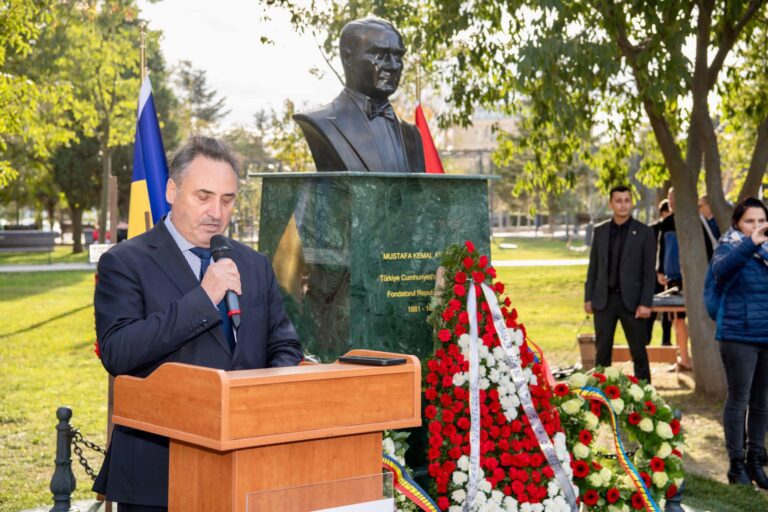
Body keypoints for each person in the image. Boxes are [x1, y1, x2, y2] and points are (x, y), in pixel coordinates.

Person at [92, 136, 303, 510]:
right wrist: (204, 299)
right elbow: (119, 352)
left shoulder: (254, 264)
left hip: (247, 465)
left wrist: (264, 401)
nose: (216, 212)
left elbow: (284, 345)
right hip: (158, 474)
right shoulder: (124, 262)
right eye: (203, 196)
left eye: (227, 199)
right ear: (172, 191)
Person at [294, 17, 425, 173]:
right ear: (347, 57)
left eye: (398, 56)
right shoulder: (320, 122)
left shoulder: (411, 135)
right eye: (379, 55)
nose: (393, 65)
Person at [708, 197, 768, 488]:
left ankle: (756, 463)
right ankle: (736, 466)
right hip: (738, 336)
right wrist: (750, 244)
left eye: (761, 221)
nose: (757, 226)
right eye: (749, 221)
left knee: (762, 402)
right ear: (737, 224)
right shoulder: (728, 246)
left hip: (765, 334)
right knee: (738, 401)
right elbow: (720, 272)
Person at [584, 185, 656, 382]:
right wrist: (588, 297)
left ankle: (646, 393)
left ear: (631, 203)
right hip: (604, 301)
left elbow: (649, 273)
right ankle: (601, 394)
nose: (623, 205)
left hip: (633, 303)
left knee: (638, 352)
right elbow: (593, 268)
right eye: (618, 201)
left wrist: (645, 303)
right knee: (602, 353)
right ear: (611, 204)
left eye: (627, 200)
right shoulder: (600, 231)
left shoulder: (645, 232)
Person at [656, 188, 693, 370]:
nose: (670, 201)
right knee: (676, 320)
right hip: (671, 278)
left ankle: (688, 359)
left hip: (688, 277)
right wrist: (660, 271)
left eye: (674, 197)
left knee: (686, 319)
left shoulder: (692, 221)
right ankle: (683, 358)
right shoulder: (666, 222)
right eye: (669, 198)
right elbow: (662, 248)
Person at [647, 199, 673, 346]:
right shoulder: (652, 229)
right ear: (663, 213)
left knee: (668, 313)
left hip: (668, 275)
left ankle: (666, 341)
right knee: (651, 311)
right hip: (654, 275)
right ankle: (646, 341)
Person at [699, 194, 722, 260]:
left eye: (701, 206)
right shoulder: (700, 220)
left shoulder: (718, 218)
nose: (699, 209)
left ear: (708, 205)